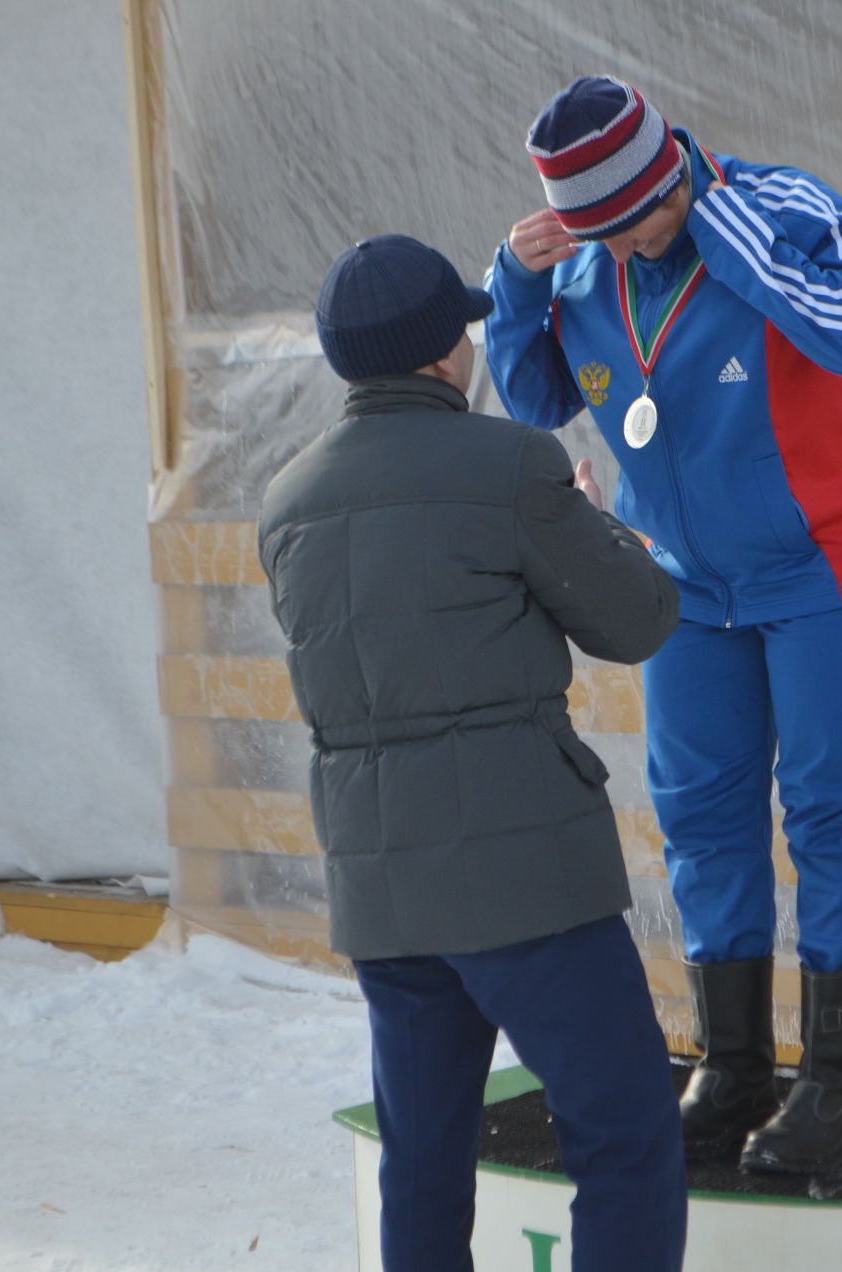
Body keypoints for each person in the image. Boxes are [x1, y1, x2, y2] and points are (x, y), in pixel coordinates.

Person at [483, 75, 842, 1175]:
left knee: (829, 809)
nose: (631, 246)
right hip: (687, 588)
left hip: (833, 570)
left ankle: (835, 1085)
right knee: (700, 816)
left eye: (640, 215)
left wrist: (727, 237)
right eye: (600, 230)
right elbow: (538, 402)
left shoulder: (784, 206)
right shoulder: (588, 264)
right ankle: (731, 1067)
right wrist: (516, 287)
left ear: (672, 168)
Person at [258, 234, 687, 1272]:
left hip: (383, 887)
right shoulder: (512, 465)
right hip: (523, 880)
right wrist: (598, 525)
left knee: (423, 1160)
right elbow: (635, 622)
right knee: (624, 1137)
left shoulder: (286, 503)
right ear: (441, 352)